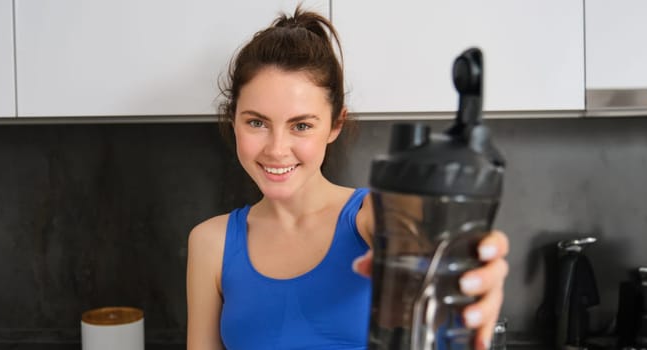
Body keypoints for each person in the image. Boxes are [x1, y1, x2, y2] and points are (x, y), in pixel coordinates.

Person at [186, 7, 510, 350]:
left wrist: (463, 278)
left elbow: (421, 248)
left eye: (301, 125)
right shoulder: (211, 243)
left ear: (335, 125)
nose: (277, 149)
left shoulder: (370, 214)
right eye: (256, 122)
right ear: (232, 119)